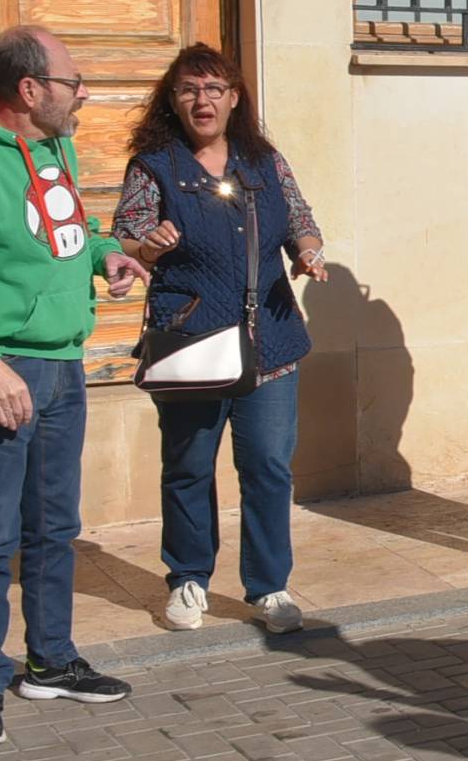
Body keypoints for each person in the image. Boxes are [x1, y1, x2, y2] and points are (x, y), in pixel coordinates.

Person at [0, 26, 146, 750]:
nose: (85, 94)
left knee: (54, 527)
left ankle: (51, 660)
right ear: (31, 90)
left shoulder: (54, 146)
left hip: (63, 366)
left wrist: (106, 255)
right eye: (73, 82)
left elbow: (73, 228)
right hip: (0, 373)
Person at [113, 45, 328, 634]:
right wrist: (148, 246)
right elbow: (127, 239)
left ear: (235, 98)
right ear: (173, 100)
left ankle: (269, 587)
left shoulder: (264, 161)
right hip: (192, 343)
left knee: (266, 467)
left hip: (271, 343)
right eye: (188, 89)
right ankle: (187, 578)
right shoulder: (154, 165)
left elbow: (300, 221)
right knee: (187, 466)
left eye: (213, 89)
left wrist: (308, 254)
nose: (201, 100)